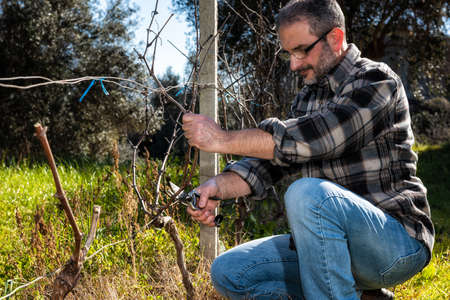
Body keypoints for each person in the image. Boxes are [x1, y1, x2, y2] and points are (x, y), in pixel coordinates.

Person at [182, 0, 434, 299]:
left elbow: (317, 139)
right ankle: (362, 295)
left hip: (396, 244)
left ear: (335, 38)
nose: (294, 63)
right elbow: (271, 162)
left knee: (308, 194)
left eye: (302, 50)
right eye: (289, 53)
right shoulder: (307, 99)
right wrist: (215, 187)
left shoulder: (377, 82)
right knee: (230, 271)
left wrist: (221, 138)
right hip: (333, 248)